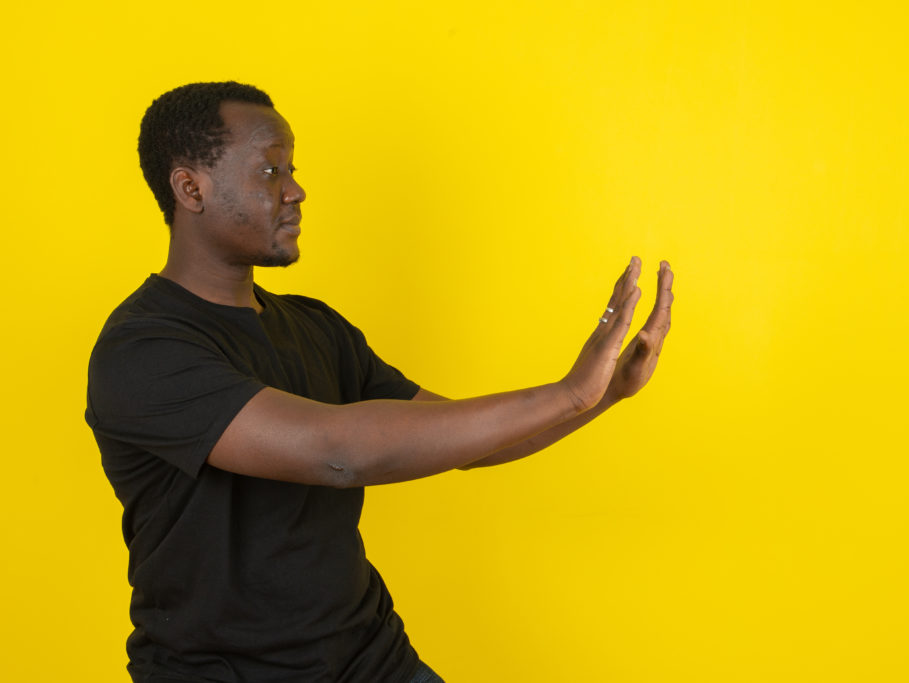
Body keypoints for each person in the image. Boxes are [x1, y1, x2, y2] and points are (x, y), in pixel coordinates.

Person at [85, 81, 673, 683]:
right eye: (270, 170)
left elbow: (466, 442)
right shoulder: (142, 349)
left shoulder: (316, 327)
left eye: (292, 170)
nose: (295, 190)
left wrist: (602, 396)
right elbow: (337, 452)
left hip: (375, 663)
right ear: (191, 189)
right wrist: (567, 393)